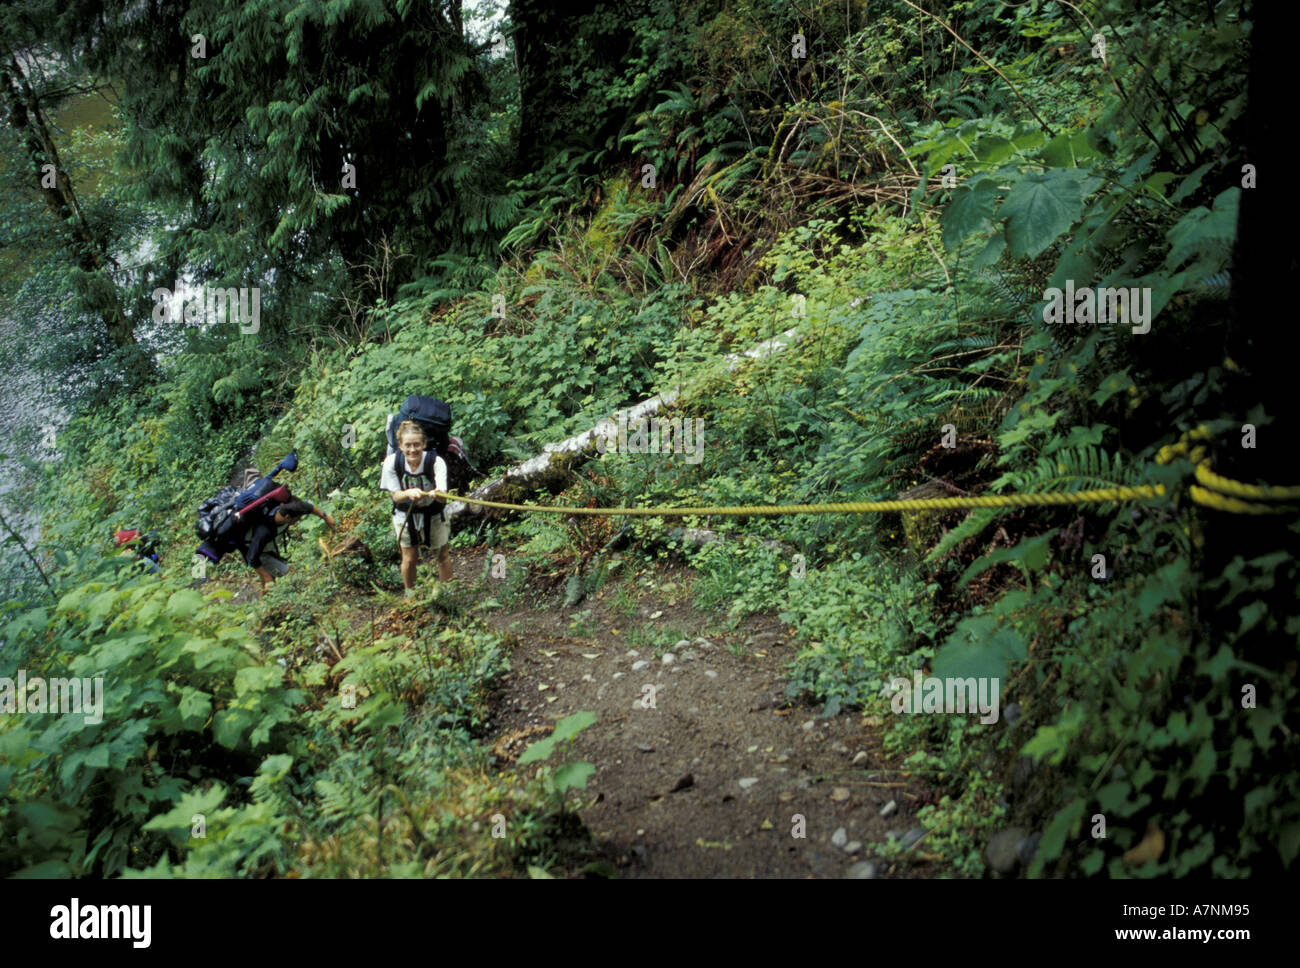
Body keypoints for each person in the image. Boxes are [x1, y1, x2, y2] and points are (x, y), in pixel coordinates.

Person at [381, 420, 453, 597]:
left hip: (434, 512)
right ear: (400, 445)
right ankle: (410, 597)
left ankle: (448, 594)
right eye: (408, 445)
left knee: (442, 554)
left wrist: (438, 494)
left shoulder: (436, 462)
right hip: (405, 514)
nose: (412, 450)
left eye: (416, 445)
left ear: (424, 444)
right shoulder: (392, 463)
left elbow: (444, 496)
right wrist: (408, 493)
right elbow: (395, 496)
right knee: (409, 557)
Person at [237, 495, 335, 593]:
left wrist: (325, 517)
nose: (299, 520)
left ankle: (266, 601)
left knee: (272, 578)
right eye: (297, 518)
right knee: (291, 574)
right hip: (256, 553)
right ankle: (270, 603)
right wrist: (267, 578)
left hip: (268, 548)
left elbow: (308, 507)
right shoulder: (264, 532)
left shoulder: (288, 510)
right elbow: (252, 558)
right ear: (288, 517)